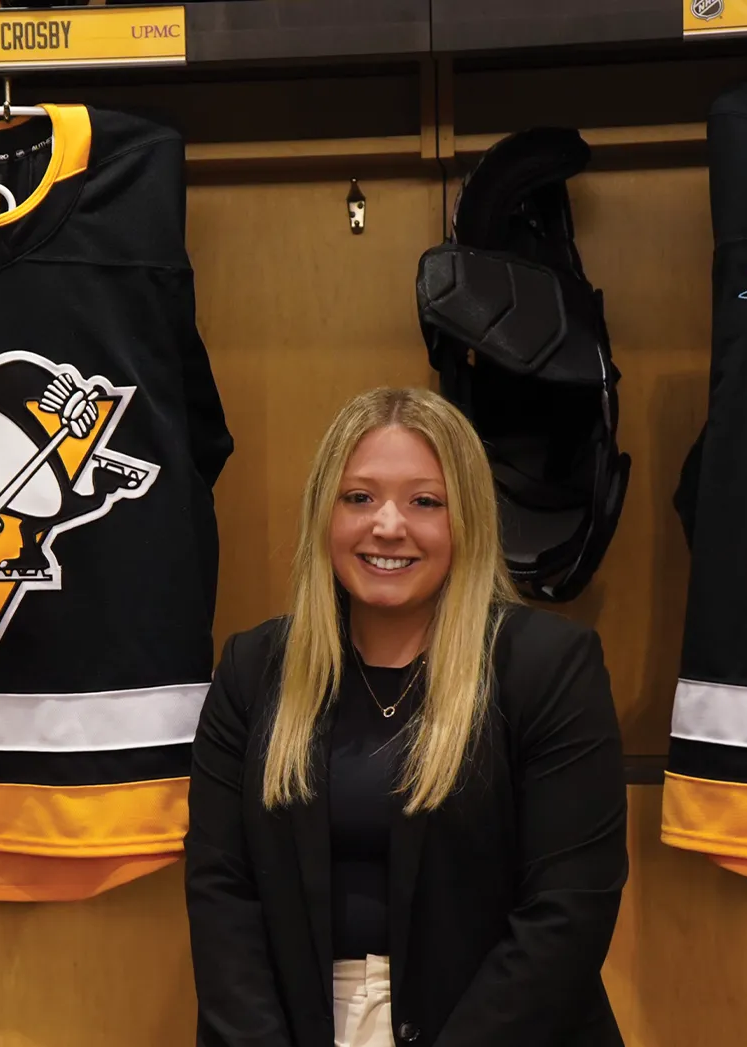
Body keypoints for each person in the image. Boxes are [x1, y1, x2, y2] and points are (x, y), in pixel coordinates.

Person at [183, 386, 629, 1047]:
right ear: (324, 515)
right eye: (359, 497)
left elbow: (567, 913)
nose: (387, 525)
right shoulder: (254, 670)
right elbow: (222, 893)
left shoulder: (548, 666)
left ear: (467, 519)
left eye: (425, 501)